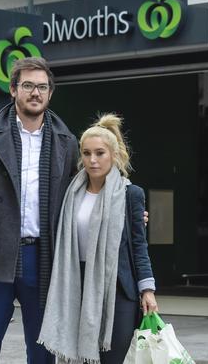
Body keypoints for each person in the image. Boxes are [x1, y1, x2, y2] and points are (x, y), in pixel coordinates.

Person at [0, 57, 79, 364]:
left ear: (50, 93)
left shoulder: (67, 142)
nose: (36, 93)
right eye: (28, 86)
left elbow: (84, 194)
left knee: (42, 348)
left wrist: (128, 211)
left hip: (43, 256)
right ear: (13, 90)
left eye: (42, 87)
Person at [38, 114, 158, 363]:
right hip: (75, 285)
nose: (92, 160)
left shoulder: (130, 194)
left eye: (100, 153)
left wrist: (147, 290)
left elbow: (139, 245)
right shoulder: (70, 192)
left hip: (117, 291)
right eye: (86, 153)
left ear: (114, 155)